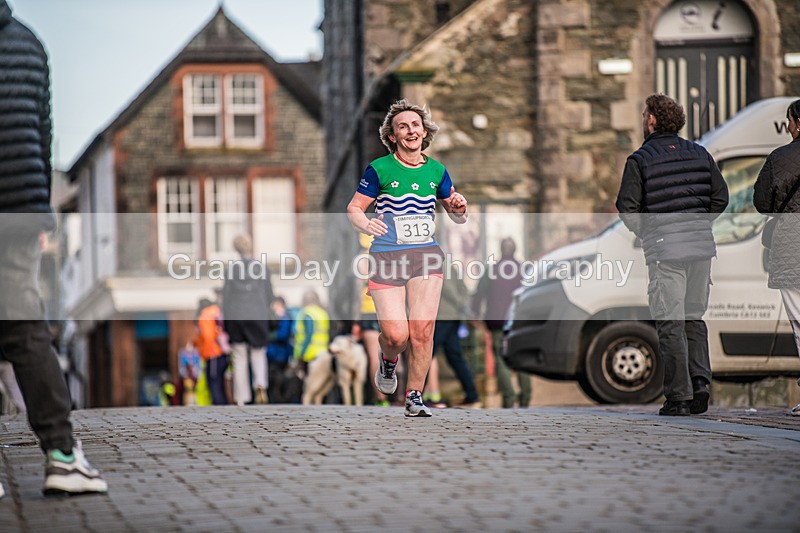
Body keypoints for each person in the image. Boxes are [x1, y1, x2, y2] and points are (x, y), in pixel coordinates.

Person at [0, 0, 107, 496]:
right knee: (25, 328)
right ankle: (63, 456)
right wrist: (39, 209)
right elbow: (41, 136)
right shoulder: (28, 42)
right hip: (18, 208)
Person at [346, 99, 469, 417]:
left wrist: (458, 208)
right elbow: (354, 208)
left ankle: (415, 396)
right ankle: (388, 363)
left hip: (426, 256)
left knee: (423, 330)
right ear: (393, 136)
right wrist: (366, 222)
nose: (411, 130)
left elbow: (455, 215)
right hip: (386, 256)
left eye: (416, 124)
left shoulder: (437, 171)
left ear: (424, 131)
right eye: (403, 126)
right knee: (397, 335)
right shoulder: (379, 169)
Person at [616, 94, 729, 416]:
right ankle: (701, 383)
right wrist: (696, 225)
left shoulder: (640, 159)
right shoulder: (700, 153)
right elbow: (721, 198)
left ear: (652, 120)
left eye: (643, 114)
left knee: (670, 323)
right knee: (694, 318)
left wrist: (652, 233)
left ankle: (679, 397)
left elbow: (627, 208)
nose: (642, 119)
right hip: (700, 249)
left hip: (666, 252)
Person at [753, 99, 800, 416]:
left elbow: (761, 201)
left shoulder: (780, 157)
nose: (787, 127)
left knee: (799, 322)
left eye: (790, 121)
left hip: (792, 246)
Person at [471, 238, 531, 408]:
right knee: (522, 358)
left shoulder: (492, 269)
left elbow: (479, 294)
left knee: (501, 359)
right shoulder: (524, 270)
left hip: (497, 321)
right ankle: (525, 397)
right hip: (520, 321)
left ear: (501, 249)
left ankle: (509, 397)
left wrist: (475, 313)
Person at [222, 234, 272, 405]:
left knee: (239, 356)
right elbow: (269, 295)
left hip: (237, 316)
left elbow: (227, 297)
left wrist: (226, 320)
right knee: (258, 353)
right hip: (257, 315)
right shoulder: (261, 267)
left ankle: (241, 397)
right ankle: (260, 384)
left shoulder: (231, 269)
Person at [432, 263, 480, 407]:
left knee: (426, 354)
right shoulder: (448, 264)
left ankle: (416, 393)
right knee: (454, 356)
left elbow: (448, 288)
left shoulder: (435, 263)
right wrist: (463, 307)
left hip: (443, 315)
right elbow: (463, 288)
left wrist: (462, 306)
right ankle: (472, 394)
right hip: (453, 316)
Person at [293, 290, 331, 405]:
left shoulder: (307, 313)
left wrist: (301, 354)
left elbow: (308, 335)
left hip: (310, 354)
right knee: (322, 384)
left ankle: (306, 406)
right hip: (323, 352)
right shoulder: (322, 313)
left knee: (309, 386)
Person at [194, 297, 229, 405]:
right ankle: (223, 406)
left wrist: (200, 346)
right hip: (223, 352)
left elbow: (208, 336)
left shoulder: (205, 315)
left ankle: (218, 408)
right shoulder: (218, 311)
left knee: (214, 384)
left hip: (212, 353)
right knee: (220, 383)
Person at [266, 296, 295, 403]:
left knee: (278, 379)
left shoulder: (285, 318)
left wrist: (269, 336)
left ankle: (279, 399)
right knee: (272, 379)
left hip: (279, 354)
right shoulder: (277, 317)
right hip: (274, 353)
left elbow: (283, 335)